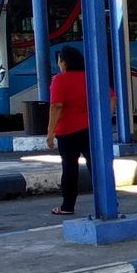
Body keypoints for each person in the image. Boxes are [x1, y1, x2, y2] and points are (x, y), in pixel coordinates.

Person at [45, 46, 91, 216]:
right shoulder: (89, 77)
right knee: (95, 167)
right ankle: (109, 202)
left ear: (64, 62)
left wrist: (50, 133)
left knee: (70, 169)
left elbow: (56, 106)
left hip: (67, 132)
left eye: (59, 61)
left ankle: (67, 206)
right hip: (89, 130)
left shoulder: (59, 80)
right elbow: (112, 97)